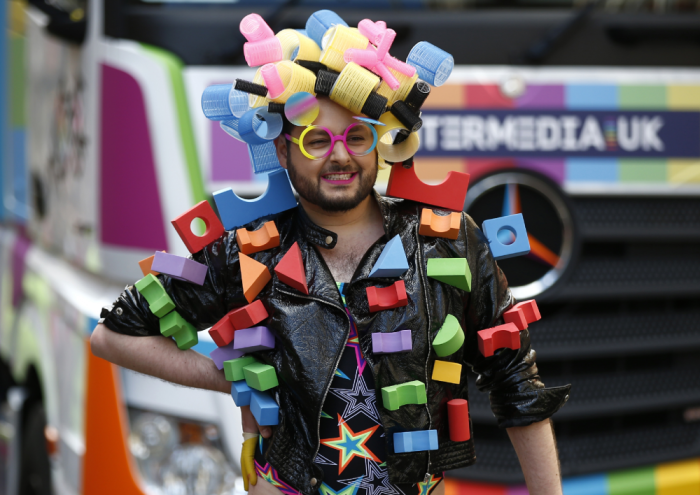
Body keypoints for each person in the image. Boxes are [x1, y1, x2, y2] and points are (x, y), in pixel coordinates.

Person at [91, 96, 570, 495]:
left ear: (378, 144)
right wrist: (236, 378)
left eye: (356, 137)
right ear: (283, 151)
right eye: (316, 140)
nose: (339, 156)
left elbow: (514, 378)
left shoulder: (445, 241)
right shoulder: (249, 247)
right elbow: (112, 336)